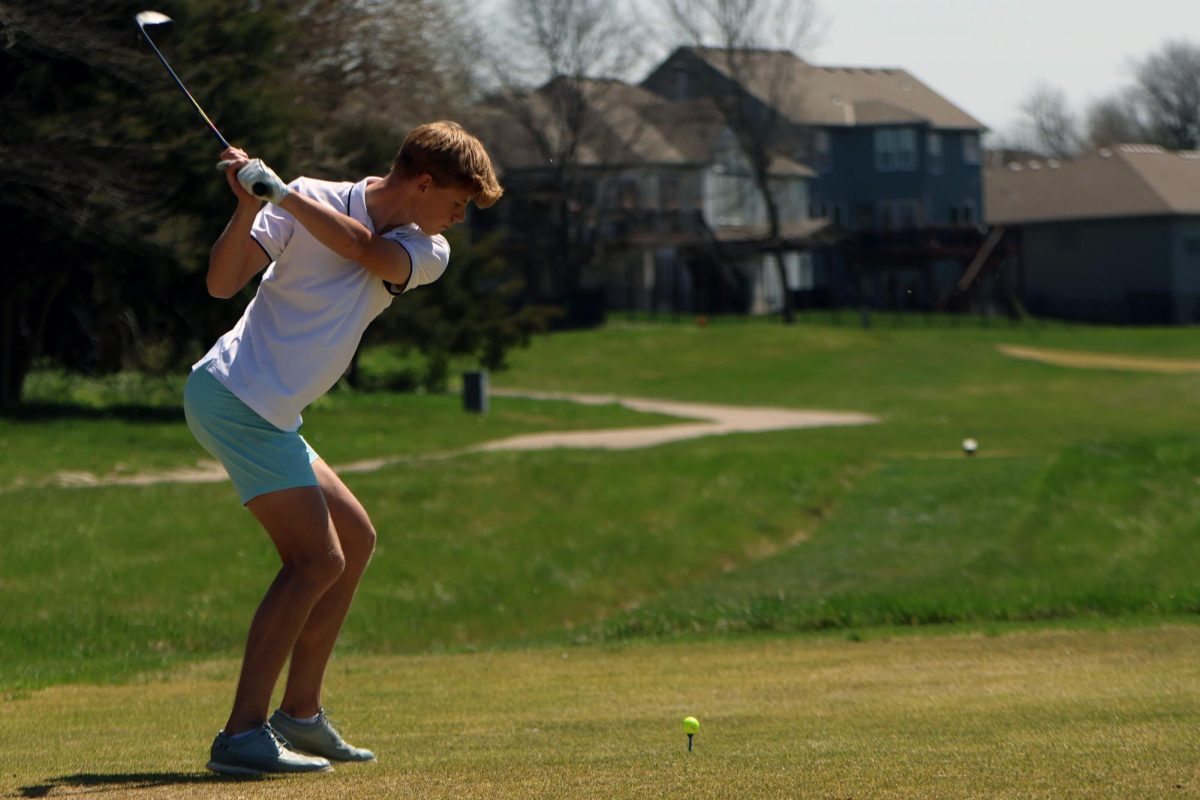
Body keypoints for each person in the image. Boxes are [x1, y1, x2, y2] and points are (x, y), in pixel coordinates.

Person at [183, 121, 503, 776]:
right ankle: (241, 734)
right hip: (236, 396)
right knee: (314, 561)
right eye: (456, 203)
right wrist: (249, 205)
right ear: (421, 182)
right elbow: (222, 283)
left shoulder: (425, 249)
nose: (456, 219)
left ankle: (299, 715)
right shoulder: (300, 195)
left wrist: (277, 195)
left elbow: (364, 252)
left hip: (269, 411)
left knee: (352, 541)